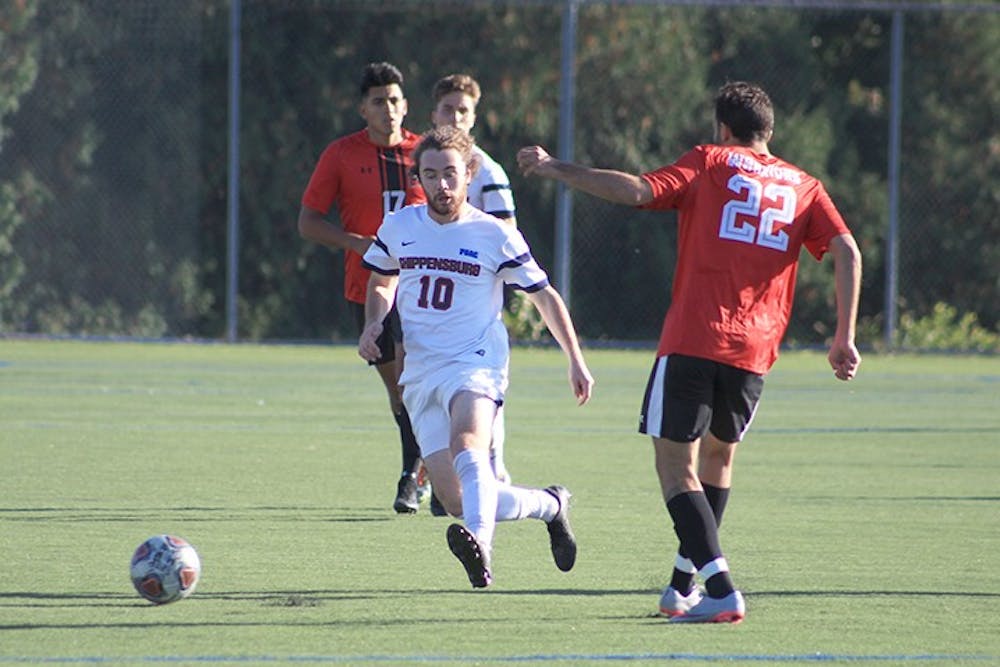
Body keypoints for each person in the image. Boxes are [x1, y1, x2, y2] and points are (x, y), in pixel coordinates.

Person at [517, 81, 862, 622]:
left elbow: (636, 190)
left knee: (676, 466)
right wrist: (844, 335)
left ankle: (722, 587)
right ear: (768, 131)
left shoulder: (710, 160)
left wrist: (558, 168)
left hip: (696, 338)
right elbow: (846, 249)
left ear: (723, 128)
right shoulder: (805, 185)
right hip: (756, 348)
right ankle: (682, 585)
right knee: (718, 460)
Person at [359, 125, 594, 588]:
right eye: (431, 175)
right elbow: (381, 281)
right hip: (421, 370)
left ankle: (480, 545)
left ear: (469, 173)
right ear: (419, 180)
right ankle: (550, 505)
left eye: (450, 174)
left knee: (470, 446)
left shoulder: (494, 235)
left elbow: (544, 297)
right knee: (457, 499)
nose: (441, 186)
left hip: (476, 361)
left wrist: (575, 359)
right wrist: (375, 322)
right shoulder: (401, 226)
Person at [298, 62, 427, 514]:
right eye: (378, 102)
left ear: (406, 105)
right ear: (362, 109)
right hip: (366, 288)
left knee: (417, 385)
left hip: (421, 287)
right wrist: (354, 242)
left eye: (394, 100)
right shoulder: (340, 154)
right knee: (398, 391)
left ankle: (412, 477)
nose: (388, 109)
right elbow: (308, 222)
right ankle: (426, 465)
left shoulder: (425, 153)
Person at [428, 73, 518, 509]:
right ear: (434, 113)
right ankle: (431, 472)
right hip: (429, 307)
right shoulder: (427, 164)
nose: (456, 117)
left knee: (477, 393)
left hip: (474, 309)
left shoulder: (490, 173)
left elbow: (508, 239)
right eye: (449, 108)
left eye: (464, 110)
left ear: (475, 117)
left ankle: (494, 466)